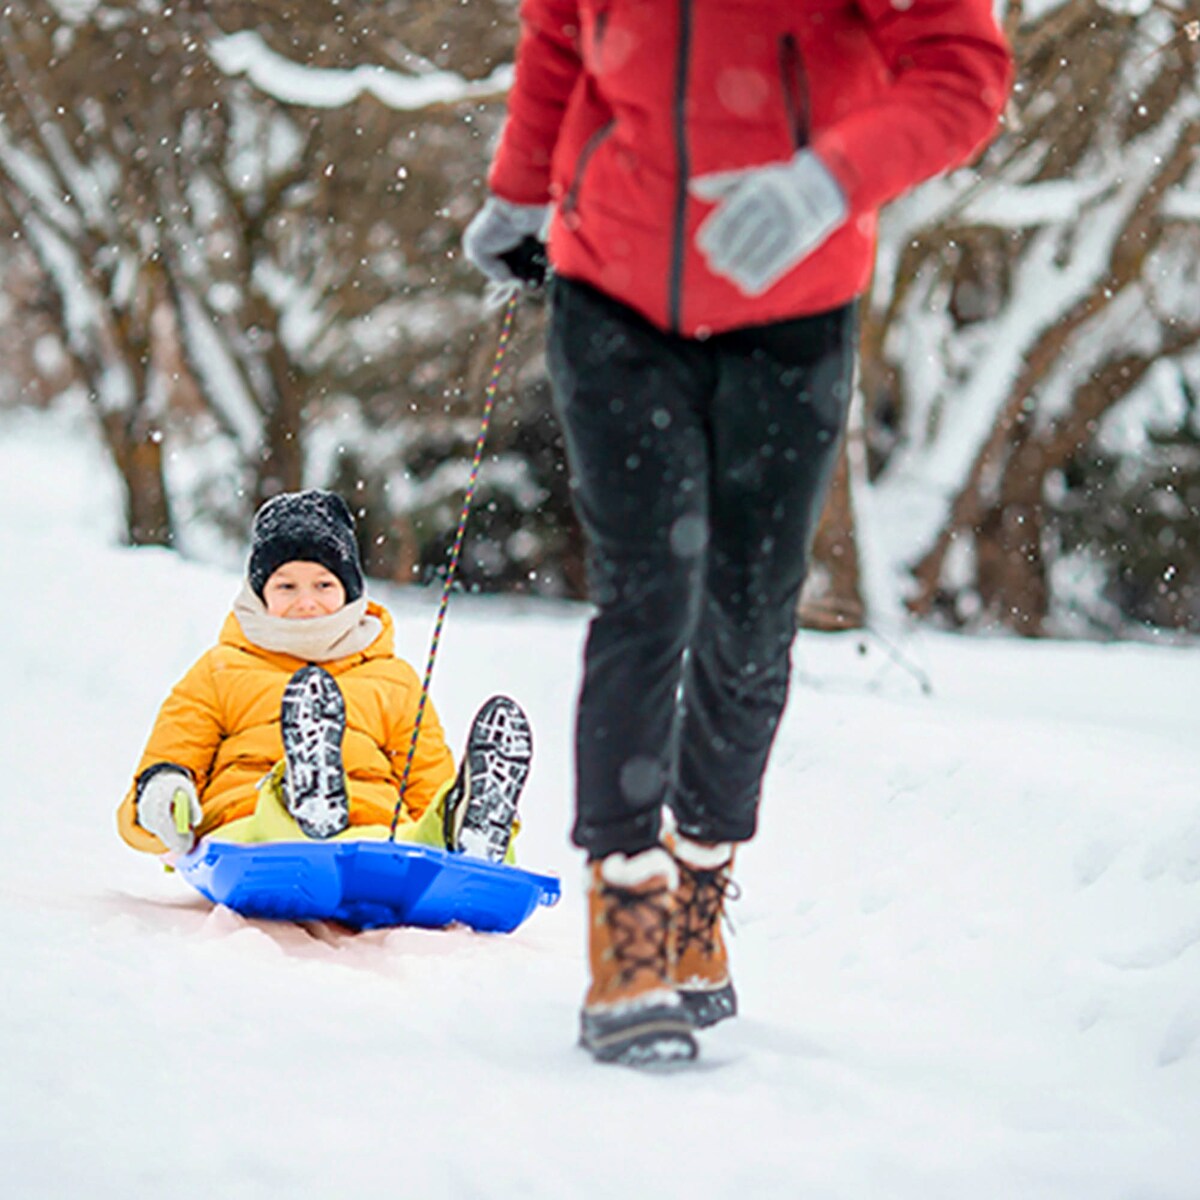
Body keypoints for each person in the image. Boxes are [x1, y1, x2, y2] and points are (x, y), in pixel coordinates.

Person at [463, 0, 1012, 1064]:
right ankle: (626, 918)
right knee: (645, 596)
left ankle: (701, 881)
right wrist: (521, 189)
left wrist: (827, 181)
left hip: (791, 308)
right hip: (612, 288)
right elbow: (561, 35)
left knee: (751, 611)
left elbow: (961, 72)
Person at [118, 489, 532, 868]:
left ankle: (467, 830)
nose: (306, 602)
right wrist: (164, 788)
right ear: (259, 593)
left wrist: (439, 808)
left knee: (418, 837)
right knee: (269, 824)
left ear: (349, 591)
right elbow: (173, 751)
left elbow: (425, 778)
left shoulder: (393, 680)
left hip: (374, 836)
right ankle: (299, 803)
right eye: (286, 586)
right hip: (246, 832)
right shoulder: (221, 670)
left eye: (323, 584)